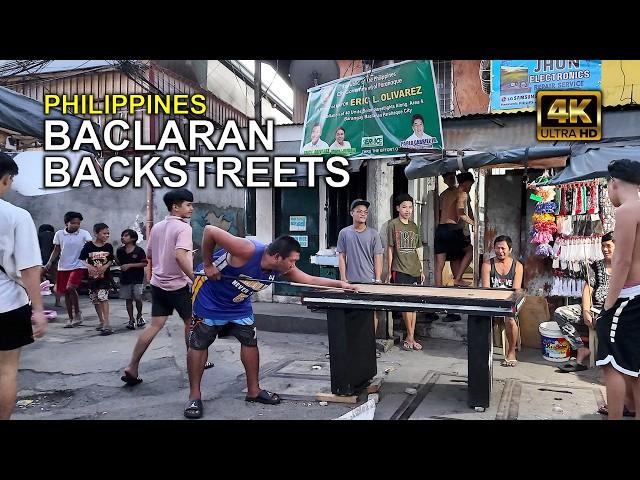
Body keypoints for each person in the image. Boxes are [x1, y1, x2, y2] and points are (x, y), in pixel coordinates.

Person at [184, 230, 354, 419]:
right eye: (292, 261)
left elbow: (310, 280)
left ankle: (253, 391)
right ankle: (194, 396)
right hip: (209, 298)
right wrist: (208, 264)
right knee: (199, 344)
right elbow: (210, 232)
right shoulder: (247, 250)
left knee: (250, 341)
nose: (293, 265)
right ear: (276, 257)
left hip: (239, 304)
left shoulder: (282, 267)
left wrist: (341, 285)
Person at [121, 188, 212, 386]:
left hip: (158, 284)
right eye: (188, 205)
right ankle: (195, 365)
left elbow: (151, 255)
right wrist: (195, 279)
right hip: (179, 286)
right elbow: (179, 256)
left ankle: (132, 367)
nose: (191, 209)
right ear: (175, 207)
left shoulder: (158, 227)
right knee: (192, 324)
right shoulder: (184, 228)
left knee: (155, 326)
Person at [0, 152, 47, 420]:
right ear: (6, 179)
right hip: (6, 304)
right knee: (6, 371)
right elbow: (29, 269)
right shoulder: (16, 215)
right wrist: (38, 310)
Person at [595, 158, 640, 420]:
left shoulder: (626, 211)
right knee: (635, 367)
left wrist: (607, 306)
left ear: (613, 183)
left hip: (628, 297)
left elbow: (621, 262)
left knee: (613, 366)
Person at [555, 232, 614, 373]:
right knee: (560, 313)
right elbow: (588, 290)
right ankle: (580, 349)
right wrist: (586, 312)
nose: (605, 249)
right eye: (603, 246)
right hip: (595, 309)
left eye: (609, 246)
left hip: (613, 313)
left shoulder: (626, 267)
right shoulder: (596, 266)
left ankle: (612, 361)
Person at [337, 199, 384, 337]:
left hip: (369, 280)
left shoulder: (373, 234)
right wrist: (343, 278)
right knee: (351, 312)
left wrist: (378, 278)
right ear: (352, 213)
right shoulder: (344, 233)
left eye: (365, 212)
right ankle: (353, 344)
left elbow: (378, 257)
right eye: (359, 211)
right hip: (351, 281)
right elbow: (341, 256)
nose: (363, 214)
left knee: (372, 312)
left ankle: (370, 345)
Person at [386, 193, 424, 351]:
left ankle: (411, 336)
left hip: (414, 269)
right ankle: (409, 336)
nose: (407, 210)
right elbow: (390, 248)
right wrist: (388, 271)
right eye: (404, 207)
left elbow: (418, 248)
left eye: (410, 207)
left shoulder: (414, 226)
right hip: (400, 269)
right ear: (397, 208)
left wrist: (421, 268)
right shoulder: (393, 225)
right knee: (405, 304)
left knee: (413, 304)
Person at [481, 235, 523, 367]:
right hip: (493, 299)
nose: (500, 251)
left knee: (509, 318)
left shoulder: (517, 266)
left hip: (510, 300)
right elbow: (486, 289)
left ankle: (511, 352)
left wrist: (504, 306)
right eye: (497, 248)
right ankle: (482, 351)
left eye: (503, 248)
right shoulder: (488, 264)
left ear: (510, 249)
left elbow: (515, 291)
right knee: (479, 315)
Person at [45, 212, 92, 327]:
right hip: (63, 266)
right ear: (66, 223)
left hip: (78, 265)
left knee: (71, 287)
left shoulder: (84, 233)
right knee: (65, 292)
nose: (76, 225)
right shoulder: (59, 234)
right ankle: (70, 318)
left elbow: (91, 246)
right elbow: (56, 250)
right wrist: (49, 262)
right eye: (73, 223)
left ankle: (77, 313)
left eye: (78, 223)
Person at [435, 172, 475, 287]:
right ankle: (458, 278)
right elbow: (461, 213)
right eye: (470, 185)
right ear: (466, 182)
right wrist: (474, 223)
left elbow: (440, 213)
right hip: (453, 229)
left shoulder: (443, 195)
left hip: (441, 229)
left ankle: (437, 290)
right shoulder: (462, 193)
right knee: (470, 251)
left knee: (441, 263)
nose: (470, 188)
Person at [79, 223, 115, 335]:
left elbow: (110, 260)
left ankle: (107, 323)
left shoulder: (108, 247)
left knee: (103, 297)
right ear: (96, 233)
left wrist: (105, 266)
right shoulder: (88, 246)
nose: (107, 235)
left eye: (108, 233)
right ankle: (101, 321)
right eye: (104, 233)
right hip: (92, 278)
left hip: (104, 278)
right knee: (95, 299)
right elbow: (81, 259)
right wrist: (89, 266)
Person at [116, 229, 148, 330]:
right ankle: (131, 319)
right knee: (128, 299)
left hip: (137, 278)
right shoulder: (120, 250)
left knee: (138, 298)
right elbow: (119, 263)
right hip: (125, 278)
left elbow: (144, 263)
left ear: (133, 238)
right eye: (122, 236)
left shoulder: (139, 251)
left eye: (126, 236)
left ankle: (139, 315)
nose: (123, 238)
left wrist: (130, 265)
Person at [38, 224, 61, 307]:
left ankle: (37, 303)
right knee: (56, 282)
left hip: (40, 263)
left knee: (37, 282)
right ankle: (58, 302)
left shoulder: (38, 236)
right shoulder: (55, 236)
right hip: (53, 263)